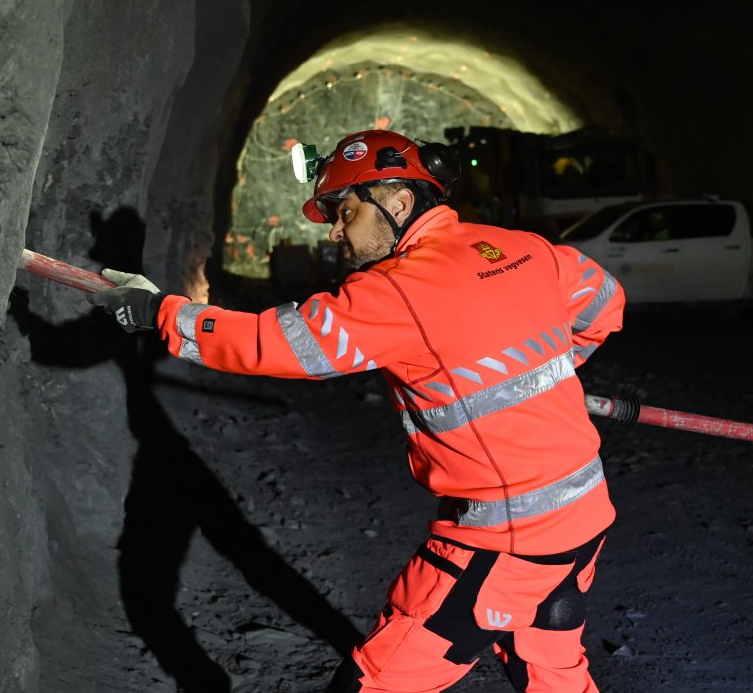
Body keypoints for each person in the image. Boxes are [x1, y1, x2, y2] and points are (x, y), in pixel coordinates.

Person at [87, 129, 626, 692]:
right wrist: (540, 364)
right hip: (585, 513)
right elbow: (604, 303)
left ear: (398, 201)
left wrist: (159, 312)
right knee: (552, 670)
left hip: (505, 538)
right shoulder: (524, 248)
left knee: (377, 682)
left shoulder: (398, 290)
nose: (337, 232)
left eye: (346, 212)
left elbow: (275, 343)